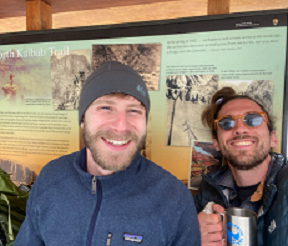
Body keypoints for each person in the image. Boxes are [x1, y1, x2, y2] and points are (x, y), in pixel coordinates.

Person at [14, 61, 200, 246]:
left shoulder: (173, 199)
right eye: (105, 108)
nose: (121, 126)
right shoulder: (51, 178)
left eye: (134, 110)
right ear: (83, 120)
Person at [194, 86, 288, 246]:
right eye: (226, 123)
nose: (239, 129)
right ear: (216, 143)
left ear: (273, 138)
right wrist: (192, 236)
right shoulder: (208, 189)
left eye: (253, 119)